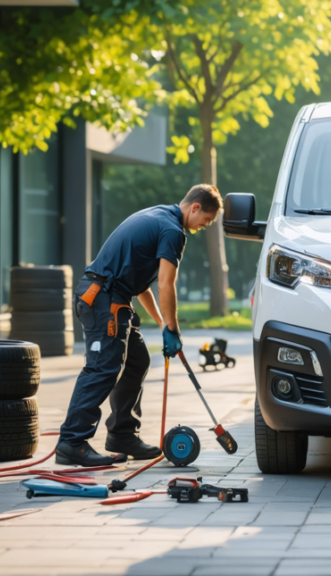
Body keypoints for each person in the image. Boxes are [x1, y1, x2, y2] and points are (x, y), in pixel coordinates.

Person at [55, 184, 222, 466]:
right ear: (195, 207)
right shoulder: (173, 231)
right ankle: (71, 443)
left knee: (137, 360)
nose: (201, 227)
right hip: (103, 298)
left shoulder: (159, 216)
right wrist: (173, 329)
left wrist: (161, 323)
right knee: (103, 367)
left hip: (114, 298)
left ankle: (121, 435)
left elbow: (143, 286)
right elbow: (166, 284)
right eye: (204, 221)